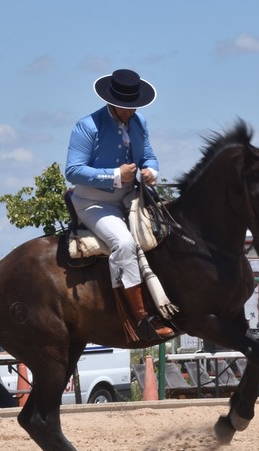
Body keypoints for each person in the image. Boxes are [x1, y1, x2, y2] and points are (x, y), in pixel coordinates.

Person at [65, 68, 174, 339]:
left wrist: (151, 170)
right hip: (93, 202)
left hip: (130, 198)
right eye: (124, 106)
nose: (129, 111)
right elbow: (72, 170)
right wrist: (115, 175)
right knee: (124, 243)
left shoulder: (140, 122)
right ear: (111, 101)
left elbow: (148, 155)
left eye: (133, 106)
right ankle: (140, 319)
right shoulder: (87, 126)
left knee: (170, 229)